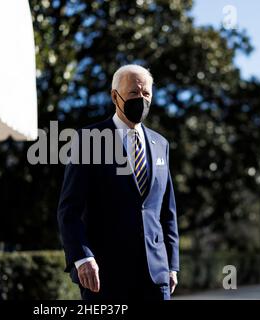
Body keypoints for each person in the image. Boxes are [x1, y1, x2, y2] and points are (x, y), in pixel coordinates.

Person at [57, 64, 179, 300]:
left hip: (156, 277)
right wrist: (82, 257)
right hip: (104, 277)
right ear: (115, 96)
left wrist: (172, 265)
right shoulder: (88, 140)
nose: (141, 99)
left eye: (146, 94)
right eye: (134, 93)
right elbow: (68, 210)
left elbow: (167, 211)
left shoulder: (160, 143)